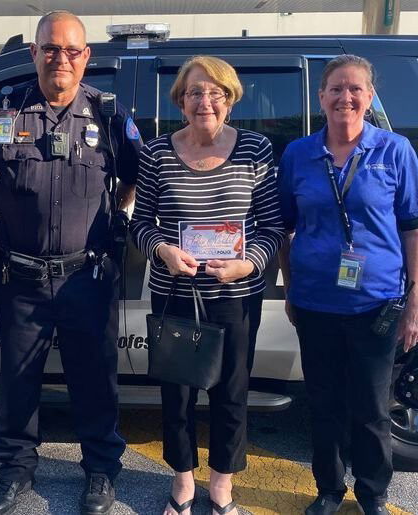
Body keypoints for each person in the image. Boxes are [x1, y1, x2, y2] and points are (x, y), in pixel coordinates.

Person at [0, 10, 141, 515]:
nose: (61, 57)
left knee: (95, 378)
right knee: (18, 380)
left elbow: (130, 177)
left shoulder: (107, 114)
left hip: (88, 274)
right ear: (34, 53)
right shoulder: (2, 110)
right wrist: (6, 208)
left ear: (86, 58)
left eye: (72, 49)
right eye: (51, 48)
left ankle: (101, 471)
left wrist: (112, 217)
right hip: (22, 275)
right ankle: (15, 472)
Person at [130, 56, 285, 515]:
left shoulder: (256, 149)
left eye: (216, 93)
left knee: (231, 392)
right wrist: (163, 251)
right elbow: (140, 223)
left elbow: (273, 227)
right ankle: (181, 483)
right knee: (177, 393)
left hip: (235, 296)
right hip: (176, 293)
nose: (206, 101)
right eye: (196, 92)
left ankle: (221, 488)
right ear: (180, 100)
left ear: (231, 100)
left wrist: (247, 264)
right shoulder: (157, 153)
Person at [277, 54, 418, 515]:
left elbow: (412, 229)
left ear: (370, 96)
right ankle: (329, 489)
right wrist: (292, 286)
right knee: (324, 403)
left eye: (355, 88)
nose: (345, 97)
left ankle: (373, 493)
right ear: (321, 97)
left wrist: (414, 302)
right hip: (316, 302)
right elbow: (283, 226)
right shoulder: (299, 154)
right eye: (336, 88)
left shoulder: (395, 151)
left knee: (373, 407)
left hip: (378, 303)